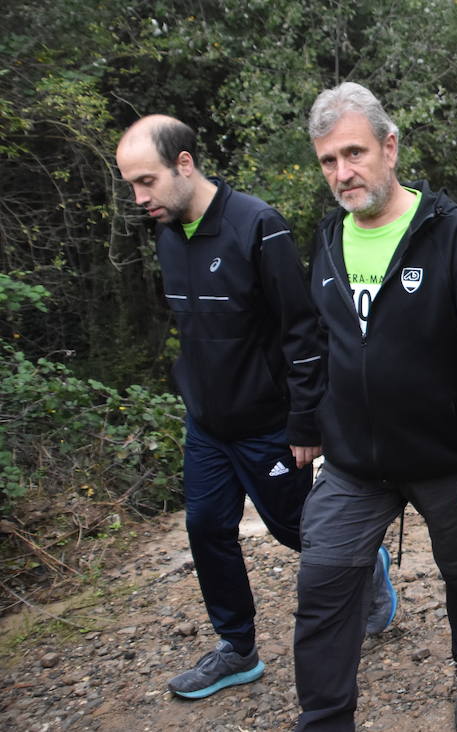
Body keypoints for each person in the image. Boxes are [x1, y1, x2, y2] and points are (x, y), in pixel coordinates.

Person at [114, 116, 390, 701]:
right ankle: (236, 648)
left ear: (184, 164)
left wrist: (304, 420)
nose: (140, 198)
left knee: (299, 531)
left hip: (268, 423)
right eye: (131, 186)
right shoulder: (166, 234)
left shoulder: (257, 226)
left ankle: (369, 570)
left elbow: (303, 330)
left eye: (146, 181)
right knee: (205, 526)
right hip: (207, 425)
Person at [296, 82, 457, 732]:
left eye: (354, 153)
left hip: (445, 457)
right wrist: (306, 423)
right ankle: (324, 717)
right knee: (322, 587)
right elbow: (317, 342)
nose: (342, 173)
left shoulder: (452, 237)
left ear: (389, 146)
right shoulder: (327, 241)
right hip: (353, 463)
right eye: (328, 161)